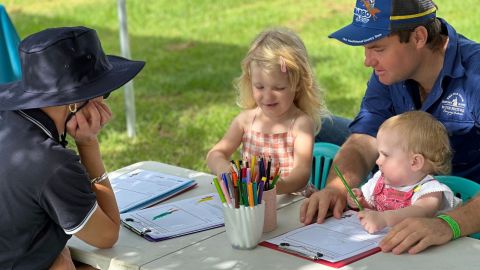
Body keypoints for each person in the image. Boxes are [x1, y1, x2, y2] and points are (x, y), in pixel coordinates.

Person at [300, 0, 480, 254]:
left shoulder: (476, 75)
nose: (367, 61)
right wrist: (335, 189)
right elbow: (364, 140)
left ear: (418, 37)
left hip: (463, 208)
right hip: (401, 188)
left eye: (378, 48)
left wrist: (448, 224)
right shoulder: (392, 71)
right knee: (317, 124)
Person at [0, 26, 145, 269]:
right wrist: (88, 144)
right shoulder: (50, 163)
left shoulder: (9, 122)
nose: (102, 101)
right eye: (103, 92)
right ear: (75, 102)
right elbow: (107, 236)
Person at [206, 27, 329, 194]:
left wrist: (272, 187)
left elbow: (301, 174)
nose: (267, 96)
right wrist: (225, 169)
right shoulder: (246, 121)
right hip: (254, 203)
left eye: (278, 88)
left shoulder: (300, 124)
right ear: (250, 82)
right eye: (259, 86)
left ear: (298, 84)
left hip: (290, 203)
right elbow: (215, 153)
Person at [346, 111, 461, 233]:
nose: (378, 161)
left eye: (385, 155)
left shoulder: (429, 191)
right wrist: (361, 201)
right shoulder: (380, 180)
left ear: (415, 162)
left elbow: (420, 212)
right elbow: (374, 208)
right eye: (379, 154)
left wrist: (384, 219)